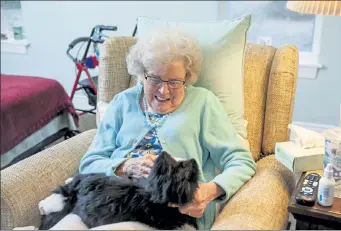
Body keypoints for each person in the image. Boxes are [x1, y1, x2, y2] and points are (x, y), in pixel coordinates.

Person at [56, 28, 256, 230]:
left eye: (175, 81)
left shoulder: (203, 103)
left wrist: (207, 192)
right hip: (108, 203)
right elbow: (89, 164)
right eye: (155, 79)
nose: (164, 90)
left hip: (169, 215)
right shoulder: (122, 102)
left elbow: (241, 161)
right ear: (141, 74)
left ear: (187, 78)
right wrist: (126, 166)